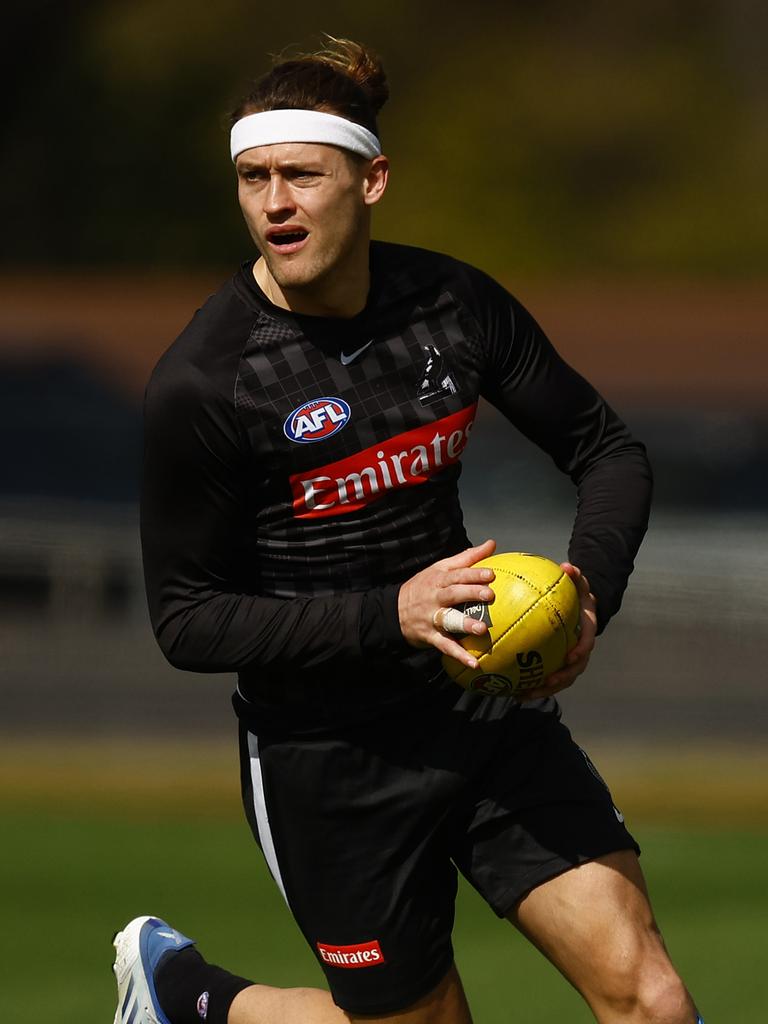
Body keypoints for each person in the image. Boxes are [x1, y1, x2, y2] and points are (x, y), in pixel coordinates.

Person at [112, 38, 703, 1024]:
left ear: (372, 178)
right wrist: (394, 611)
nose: (275, 203)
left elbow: (608, 450)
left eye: (302, 174)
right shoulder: (203, 382)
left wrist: (584, 592)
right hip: (327, 755)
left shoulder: (452, 307)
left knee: (653, 997)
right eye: (253, 178)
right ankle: (195, 997)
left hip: (480, 704)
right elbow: (187, 620)